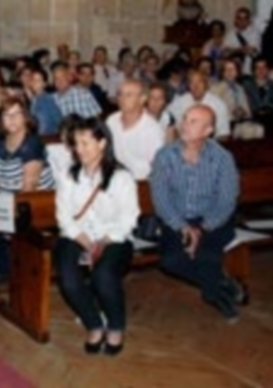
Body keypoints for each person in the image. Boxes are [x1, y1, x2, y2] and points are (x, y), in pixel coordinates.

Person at [54, 116, 138, 356]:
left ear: (102, 143)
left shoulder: (121, 177)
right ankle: (93, 323)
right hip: (77, 235)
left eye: (85, 143)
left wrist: (102, 242)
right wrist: (84, 241)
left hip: (113, 238)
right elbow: (64, 217)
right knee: (69, 278)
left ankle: (116, 325)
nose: (79, 149)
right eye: (76, 144)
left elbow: (128, 219)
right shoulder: (69, 176)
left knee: (104, 275)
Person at [150, 105, 243, 321]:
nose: (185, 125)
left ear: (208, 130)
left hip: (213, 219)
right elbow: (161, 199)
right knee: (170, 261)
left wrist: (202, 229)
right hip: (177, 219)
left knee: (206, 255)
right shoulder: (165, 156)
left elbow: (227, 199)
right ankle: (223, 284)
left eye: (193, 121)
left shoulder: (222, 158)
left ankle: (217, 298)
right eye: (185, 119)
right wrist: (183, 227)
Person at [0, 97, 55, 192]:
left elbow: (29, 187)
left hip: (34, 201)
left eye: (16, 114)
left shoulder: (32, 144)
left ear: (25, 117)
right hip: (4, 201)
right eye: (6, 115)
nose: (12, 119)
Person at [105, 80, 165, 180]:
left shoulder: (152, 129)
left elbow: (157, 166)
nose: (122, 99)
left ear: (142, 99)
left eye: (129, 95)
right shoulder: (111, 121)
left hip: (140, 183)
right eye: (120, 94)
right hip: (113, 180)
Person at [167, 71, 231, 139]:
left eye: (200, 82)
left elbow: (223, 134)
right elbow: (168, 123)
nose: (196, 86)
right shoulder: (178, 102)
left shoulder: (218, 104)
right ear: (188, 85)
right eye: (192, 83)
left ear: (206, 84)